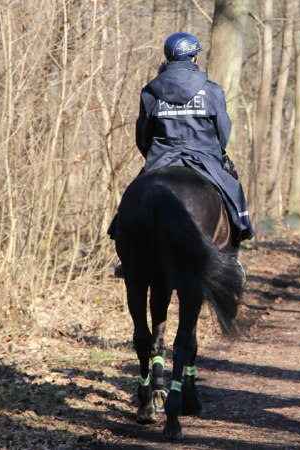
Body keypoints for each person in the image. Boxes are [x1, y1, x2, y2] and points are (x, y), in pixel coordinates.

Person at [109, 32, 255, 277]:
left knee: (131, 199)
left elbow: (143, 133)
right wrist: (214, 153)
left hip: (161, 157)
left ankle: (126, 254)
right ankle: (233, 256)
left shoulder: (151, 92)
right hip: (204, 158)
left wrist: (152, 155)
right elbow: (223, 131)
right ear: (194, 57)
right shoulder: (212, 91)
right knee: (233, 191)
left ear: (168, 56)